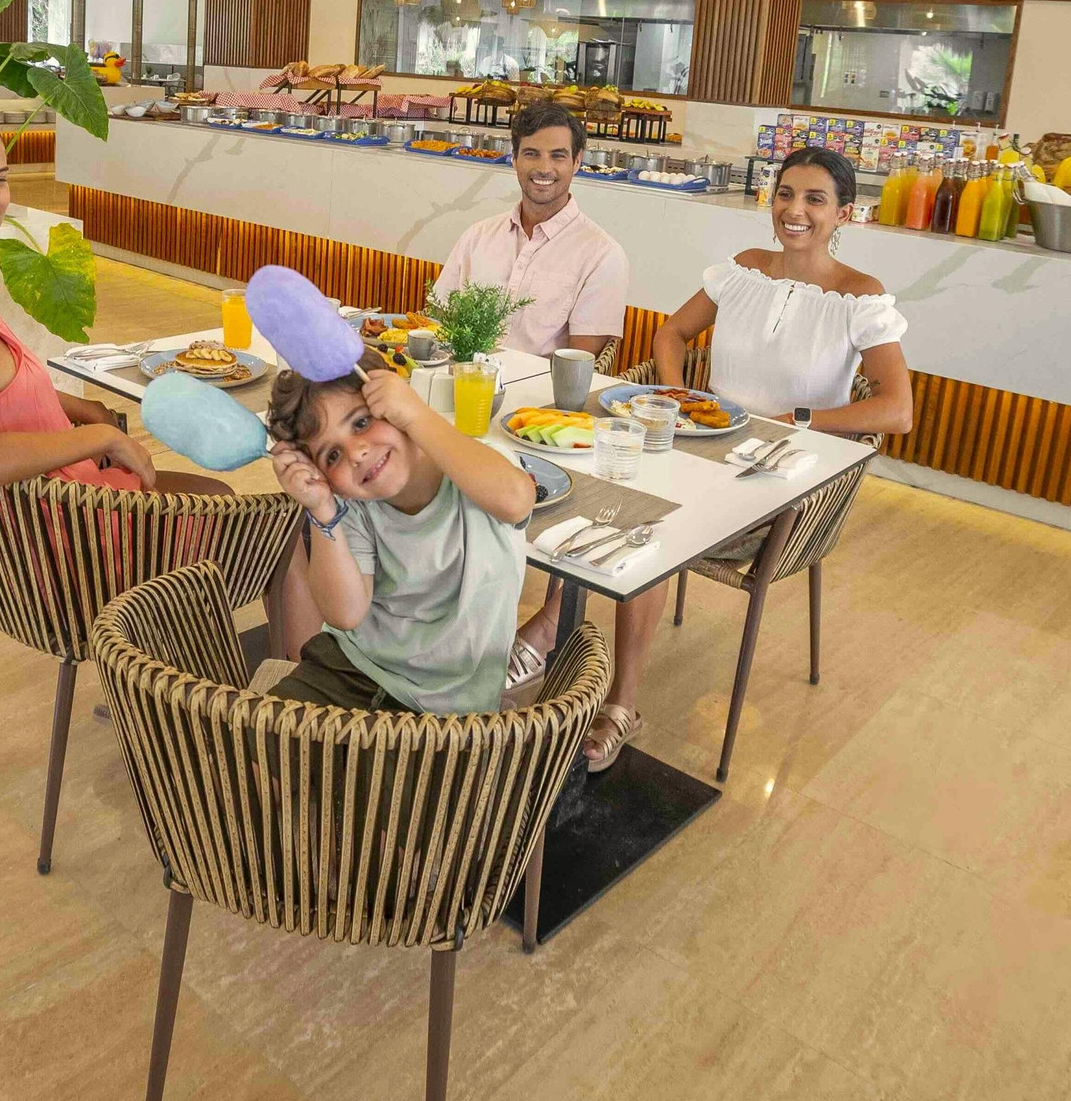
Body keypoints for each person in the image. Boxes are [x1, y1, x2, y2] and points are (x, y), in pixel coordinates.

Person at [512, 143, 913, 770]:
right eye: (785, 194)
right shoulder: (743, 269)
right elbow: (670, 333)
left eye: (814, 200)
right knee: (600, 480)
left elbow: (896, 410)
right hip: (701, 449)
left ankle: (617, 697)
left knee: (649, 522)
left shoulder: (861, 297)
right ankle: (553, 625)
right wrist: (677, 399)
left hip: (780, 480)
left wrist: (798, 420)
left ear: (844, 214)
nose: (795, 210)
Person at [0, 104, 194, 496]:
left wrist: (86, 410)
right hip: (68, 522)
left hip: (62, 501)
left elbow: (1, 395)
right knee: (249, 514)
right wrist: (101, 437)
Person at [266, 350, 535, 714]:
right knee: (250, 740)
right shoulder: (353, 507)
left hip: (446, 708)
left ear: (397, 402)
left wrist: (416, 414)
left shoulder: (476, 467)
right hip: (347, 668)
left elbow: (516, 499)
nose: (356, 453)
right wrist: (322, 511)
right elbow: (345, 614)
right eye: (332, 456)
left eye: (361, 423)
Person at [431, 95, 629, 360]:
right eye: (531, 154)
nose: (544, 168)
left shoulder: (602, 256)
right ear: (514, 159)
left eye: (558, 156)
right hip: (461, 378)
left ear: (577, 162)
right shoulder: (477, 236)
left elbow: (576, 368)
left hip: (541, 387)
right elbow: (438, 320)